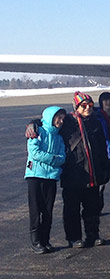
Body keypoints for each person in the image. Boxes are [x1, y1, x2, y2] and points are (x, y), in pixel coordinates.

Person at [60, 92, 110, 248]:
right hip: (73, 174)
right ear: (77, 107)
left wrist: (105, 168)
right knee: (72, 209)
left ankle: (92, 235)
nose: (88, 108)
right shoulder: (68, 122)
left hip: (92, 173)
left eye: (90, 105)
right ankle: (74, 237)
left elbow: (103, 147)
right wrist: (32, 124)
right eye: (84, 106)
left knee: (92, 207)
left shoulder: (95, 122)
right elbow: (47, 123)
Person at [24, 106, 67, 253]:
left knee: (48, 210)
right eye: (58, 118)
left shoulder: (59, 137)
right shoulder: (38, 131)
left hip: (51, 177)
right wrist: (52, 159)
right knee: (36, 210)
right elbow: (34, 152)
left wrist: (52, 160)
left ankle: (45, 240)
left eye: (62, 118)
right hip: (35, 176)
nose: (61, 121)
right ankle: (36, 242)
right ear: (51, 117)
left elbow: (62, 157)